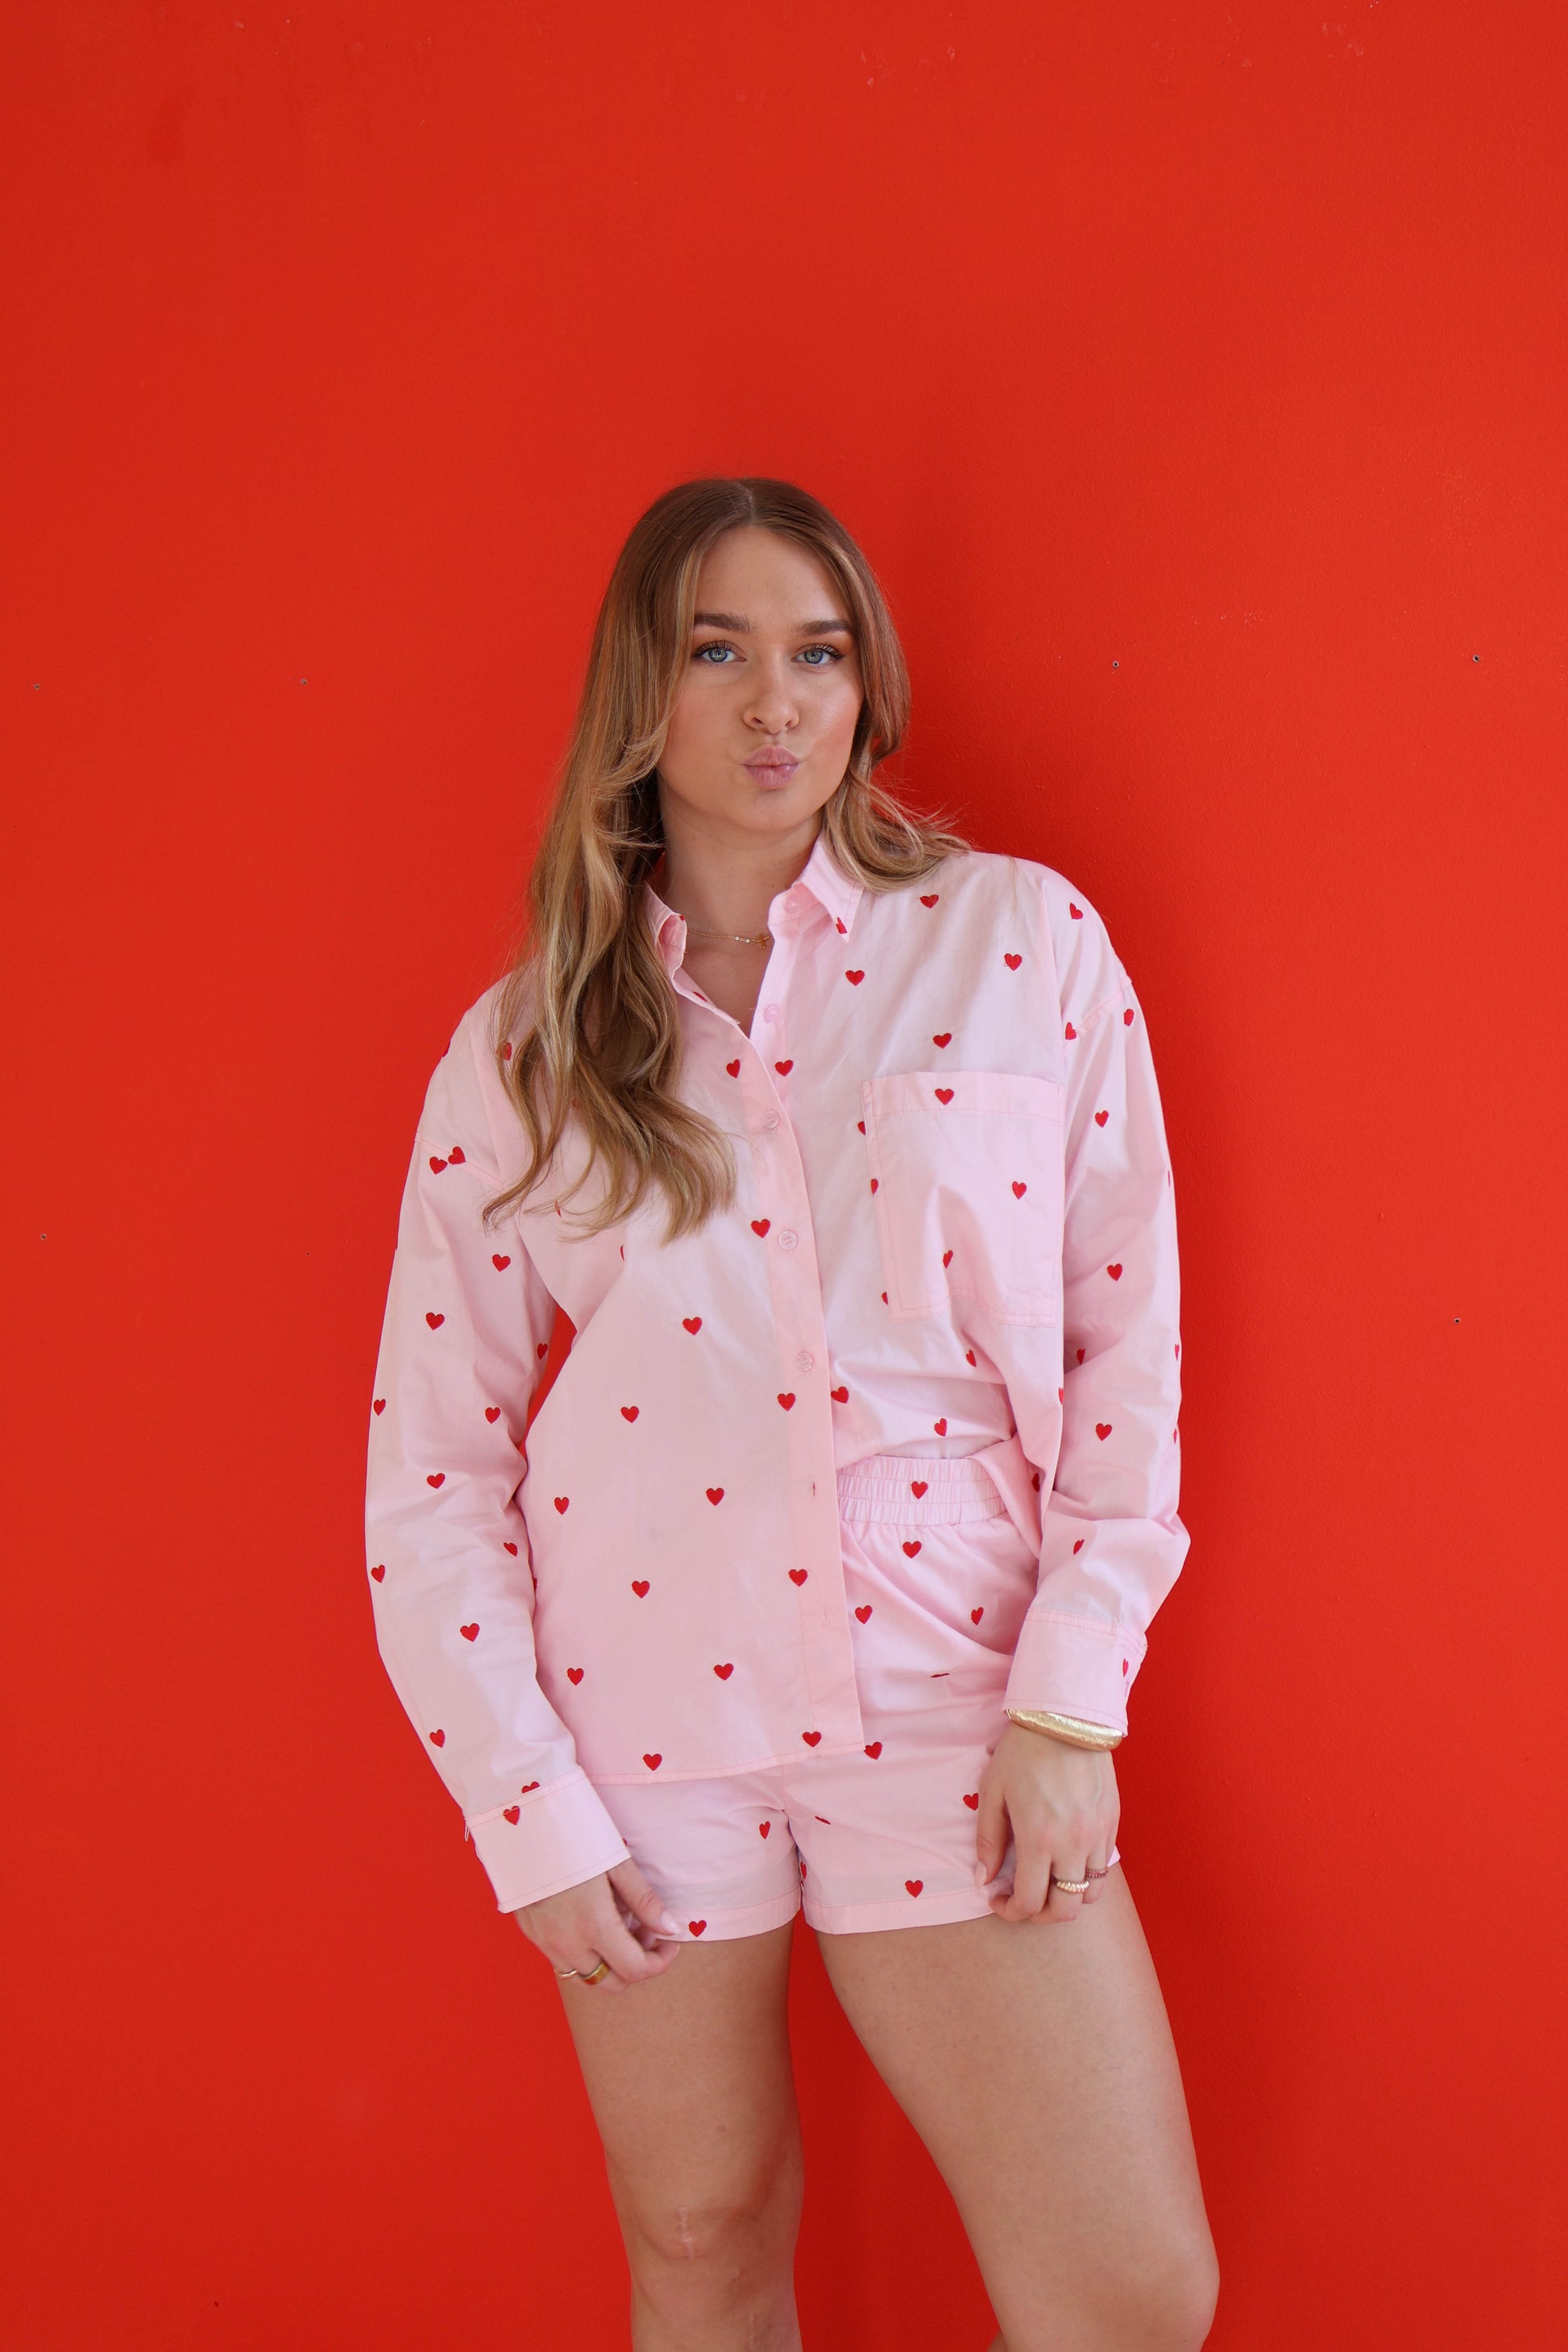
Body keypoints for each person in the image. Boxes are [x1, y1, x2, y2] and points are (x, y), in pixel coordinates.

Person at [365, 476, 1219, 2352]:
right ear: (639, 698)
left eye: (817, 653)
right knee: (697, 2230)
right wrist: (527, 1804)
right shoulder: (525, 1048)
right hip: (647, 1732)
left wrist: (1071, 1696)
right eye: (719, 650)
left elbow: (1122, 1344)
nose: (777, 703)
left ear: (864, 684)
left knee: (1131, 2290)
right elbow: (432, 1467)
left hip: (955, 1698)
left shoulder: (1015, 944)